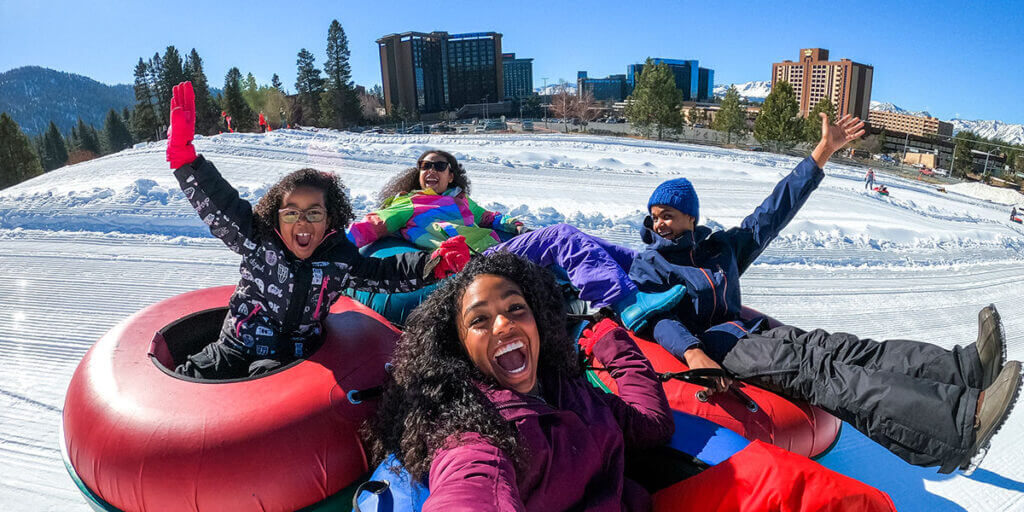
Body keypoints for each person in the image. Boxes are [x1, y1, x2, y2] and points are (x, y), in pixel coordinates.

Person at [629, 113, 1022, 474]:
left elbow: (772, 212)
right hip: (722, 346)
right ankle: (958, 425)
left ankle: (965, 368)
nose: (660, 223)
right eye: (656, 215)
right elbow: (656, 317)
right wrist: (693, 351)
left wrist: (822, 152)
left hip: (756, 330)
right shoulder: (651, 264)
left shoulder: (721, 248)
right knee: (826, 373)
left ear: (691, 217)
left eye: (669, 214)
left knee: (849, 349)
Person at [165, 82, 470, 379]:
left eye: (314, 213)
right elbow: (222, 206)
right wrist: (186, 160)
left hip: (290, 357)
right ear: (276, 216)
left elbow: (384, 273)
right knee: (190, 377)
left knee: (272, 402)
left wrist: (432, 264)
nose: (302, 222)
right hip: (236, 343)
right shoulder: (257, 240)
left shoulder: (340, 259)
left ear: (330, 219)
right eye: (291, 213)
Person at [364, 251, 674, 511]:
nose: (504, 325)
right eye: (479, 320)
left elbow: (650, 426)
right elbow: (471, 485)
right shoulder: (473, 432)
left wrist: (612, 341)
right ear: (460, 347)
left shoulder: (565, 387)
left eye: (515, 308)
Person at [348, 149, 686, 331]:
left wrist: (515, 224)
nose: (430, 170)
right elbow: (368, 227)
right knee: (562, 235)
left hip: (495, 251)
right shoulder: (408, 204)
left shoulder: (461, 202)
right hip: (471, 265)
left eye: (439, 165)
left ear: (452, 174)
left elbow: (491, 218)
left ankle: (658, 272)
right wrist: (332, 246)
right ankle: (626, 305)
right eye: (424, 166)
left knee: (582, 238)